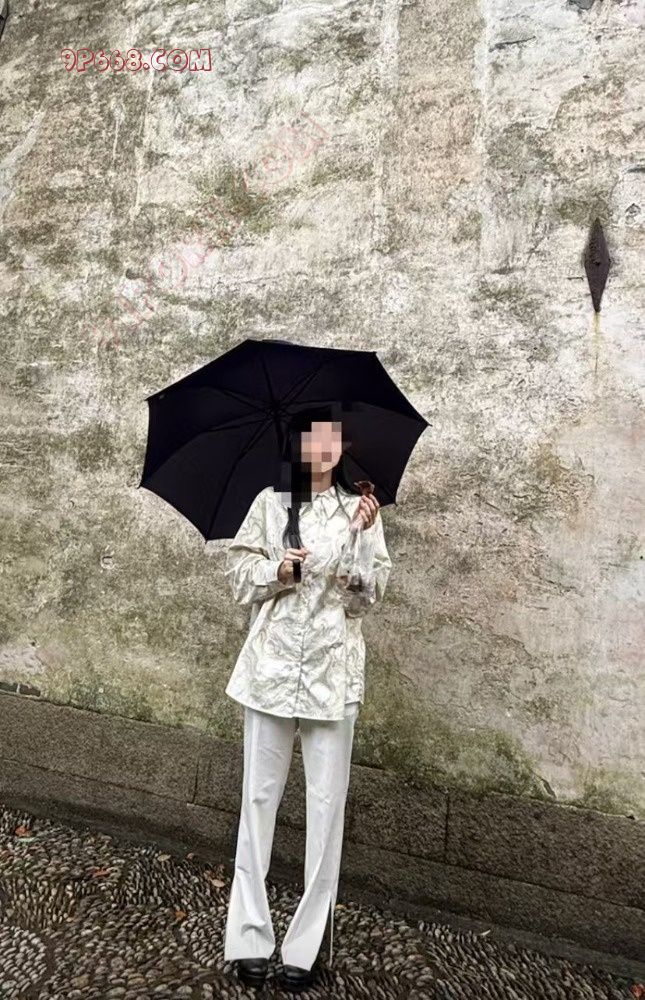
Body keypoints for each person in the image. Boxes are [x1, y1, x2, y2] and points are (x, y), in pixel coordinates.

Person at [222, 405, 392, 993]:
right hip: (270, 673)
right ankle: (249, 937)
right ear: (296, 446)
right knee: (257, 801)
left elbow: (364, 601)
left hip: (332, 677)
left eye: (332, 438)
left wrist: (361, 545)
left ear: (341, 448)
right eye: (313, 438)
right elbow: (238, 578)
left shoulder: (361, 512)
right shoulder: (270, 505)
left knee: (325, 809)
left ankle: (306, 945)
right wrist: (278, 571)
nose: (323, 447)